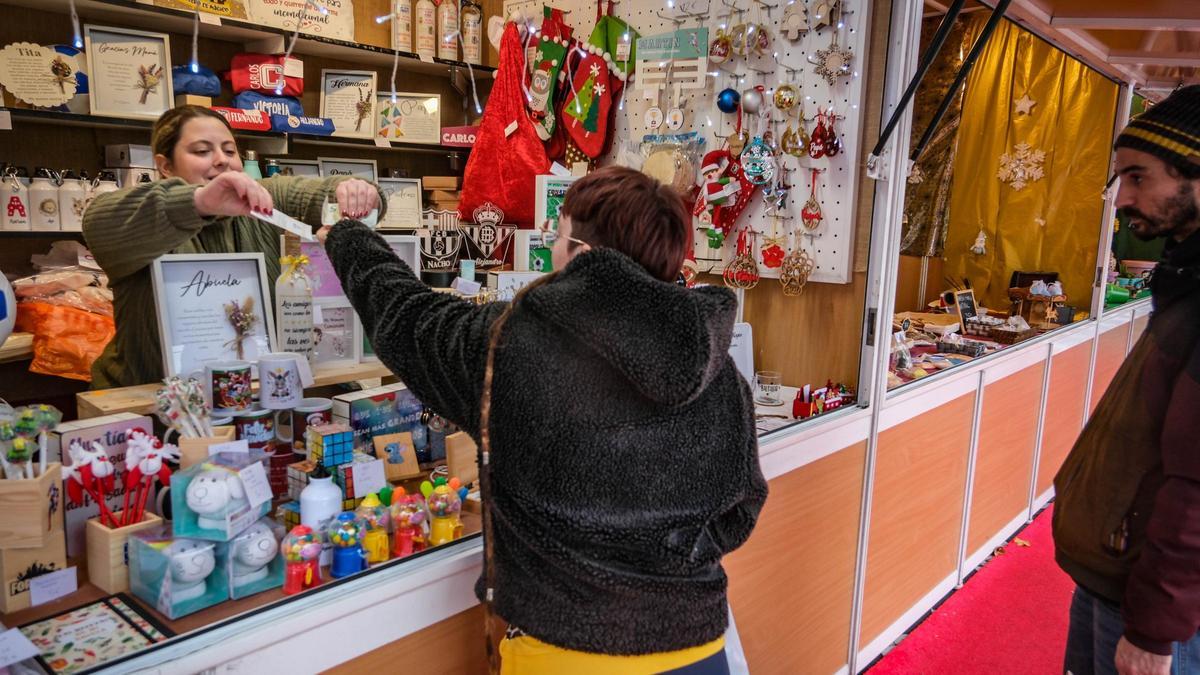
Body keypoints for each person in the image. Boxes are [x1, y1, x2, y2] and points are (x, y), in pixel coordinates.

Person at [322, 166, 767, 673]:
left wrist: (350, 235)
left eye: (558, 235)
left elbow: (406, 316)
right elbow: (742, 504)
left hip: (561, 653)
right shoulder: (718, 368)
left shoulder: (508, 344)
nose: (552, 253)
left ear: (582, 255)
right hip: (700, 648)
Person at [1053, 85, 1200, 675]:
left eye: (1139, 177)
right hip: (1118, 578)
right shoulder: (1185, 277)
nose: (1122, 199)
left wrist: (1154, 632)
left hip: (1151, 604)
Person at [82, 105, 382, 388]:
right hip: (154, 404)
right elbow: (99, 220)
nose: (222, 159)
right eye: (202, 151)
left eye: (229, 150)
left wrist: (354, 192)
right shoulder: (143, 215)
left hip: (255, 395)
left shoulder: (263, 199)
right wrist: (200, 201)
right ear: (165, 167)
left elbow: (316, 194)